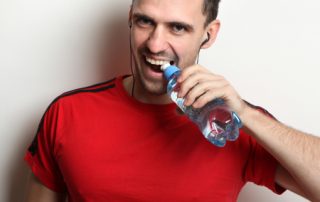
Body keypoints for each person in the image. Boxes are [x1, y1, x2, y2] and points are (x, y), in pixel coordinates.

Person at [24, 0, 320, 201]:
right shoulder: (66, 113)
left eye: (177, 27)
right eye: (144, 21)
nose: (154, 43)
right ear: (130, 17)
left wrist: (247, 114)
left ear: (209, 34)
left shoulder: (235, 124)